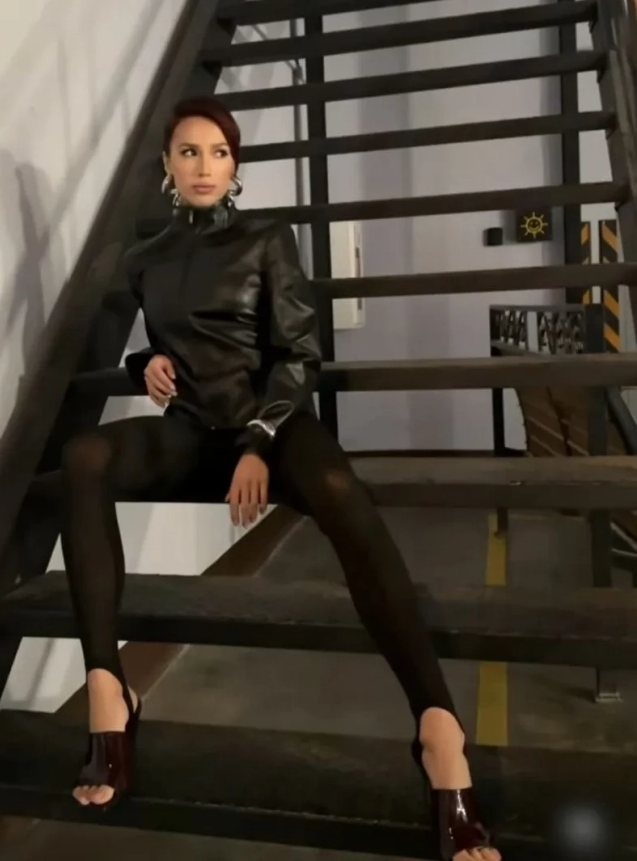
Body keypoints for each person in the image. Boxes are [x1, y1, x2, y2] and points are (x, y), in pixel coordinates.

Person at [60, 95, 499, 861]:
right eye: (189, 151)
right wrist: (143, 362)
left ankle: (437, 725)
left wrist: (260, 441)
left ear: (235, 165)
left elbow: (299, 353)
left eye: (218, 152)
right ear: (166, 164)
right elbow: (167, 348)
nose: (204, 166)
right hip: (194, 430)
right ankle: (108, 688)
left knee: (341, 493)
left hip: (276, 422)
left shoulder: (266, 237)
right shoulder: (145, 258)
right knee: (82, 457)